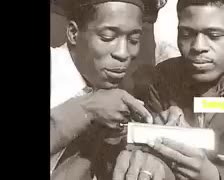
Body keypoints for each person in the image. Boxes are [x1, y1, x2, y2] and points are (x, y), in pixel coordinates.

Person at [143, 0, 224, 179]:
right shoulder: (162, 79)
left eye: (214, 35)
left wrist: (215, 176)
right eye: (187, 34)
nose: (198, 47)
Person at [50, 0, 167, 179]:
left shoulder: (119, 93)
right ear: (73, 33)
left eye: (133, 40)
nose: (123, 53)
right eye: (107, 37)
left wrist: (158, 135)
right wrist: (85, 110)